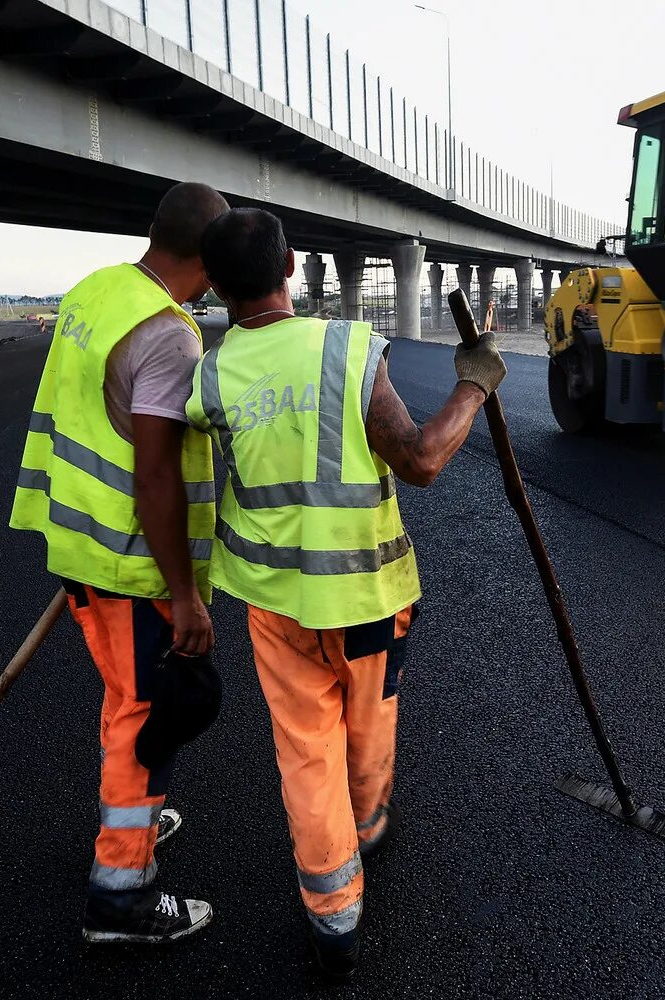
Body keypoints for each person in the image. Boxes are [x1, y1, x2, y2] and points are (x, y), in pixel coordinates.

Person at [186, 208, 507, 979]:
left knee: (306, 751)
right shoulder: (347, 349)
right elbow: (422, 460)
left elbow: (181, 457)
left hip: (277, 605)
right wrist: (474, 386)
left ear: (218, 289)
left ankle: (333, 916)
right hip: (369, 600)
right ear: (292, 266)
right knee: (370, 720)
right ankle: (367, 825)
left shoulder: (211, 375)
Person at [9, 181, 229, 945]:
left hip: (76, 544)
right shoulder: (169, 334)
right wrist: (184, 595)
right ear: (208, 258)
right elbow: (157, 474)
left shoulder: (95, 291)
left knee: (123, 699)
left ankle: (129, 819)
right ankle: (121, 892)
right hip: (132, 567)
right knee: (147, 719)